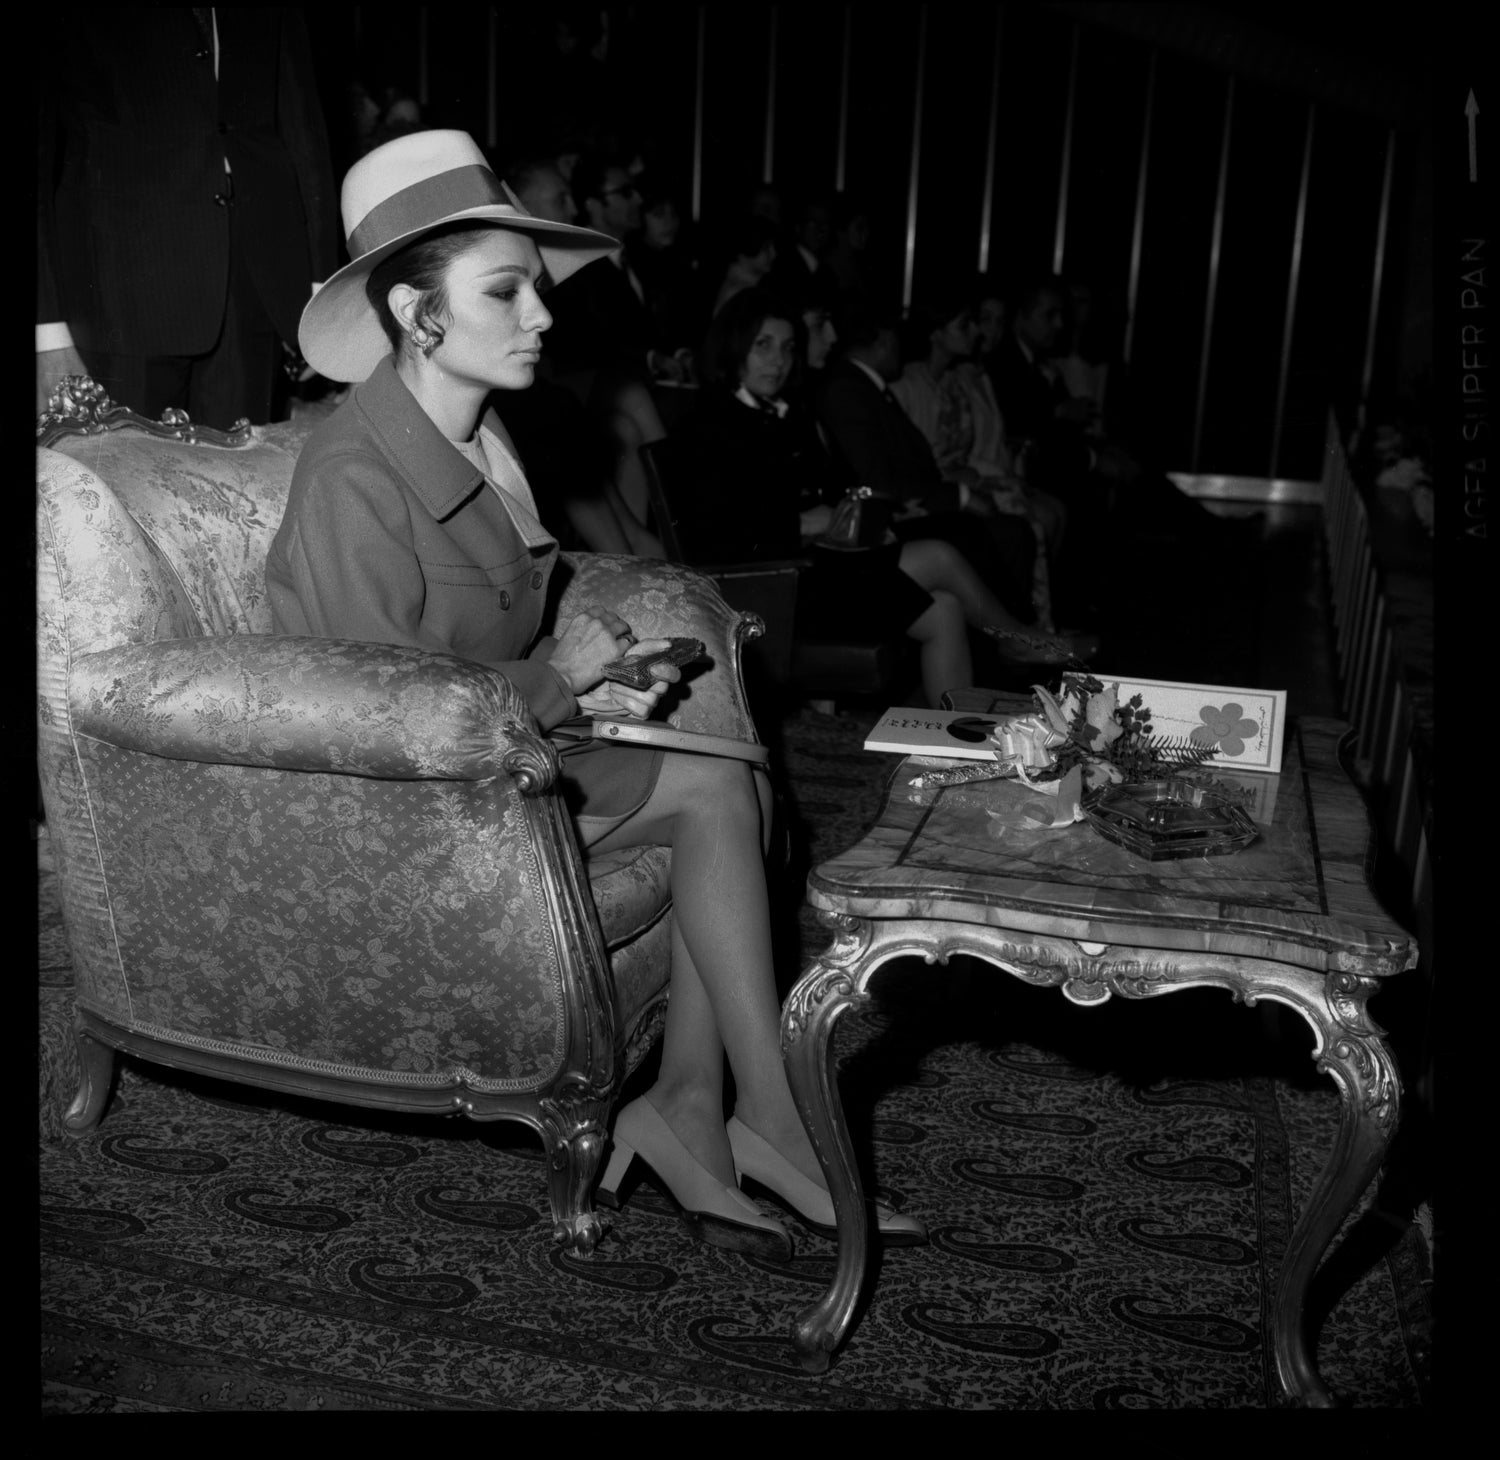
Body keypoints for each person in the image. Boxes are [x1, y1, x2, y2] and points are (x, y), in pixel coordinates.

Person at [266, 131, 921, 1259]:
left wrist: (597, 664)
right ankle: (765, 1122)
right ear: (419, 315)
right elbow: (386, 713)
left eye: (537, 288)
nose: (542, 315)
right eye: (505, 291)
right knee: (720, 793)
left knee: (745, 786)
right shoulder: (353, 474)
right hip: (392, 811)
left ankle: (695, 1107)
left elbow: (489, 624)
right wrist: (560, 677)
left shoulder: (481, 437)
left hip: (491, 753)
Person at [676, 290, 1037, 705]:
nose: (779, 360)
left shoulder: (777, 412)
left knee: (944, 608)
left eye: (788, 347)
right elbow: (716, 530)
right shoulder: (711, 423)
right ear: (734, 347)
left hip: (816, 567)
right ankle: (1016, 639)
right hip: (769, 587)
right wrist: (803, 522)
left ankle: (955, 731)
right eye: (764, 345)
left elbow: (825, 486)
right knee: (939, 554)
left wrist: (851, 516)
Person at [36, 8, 338, 428]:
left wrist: (322, 290)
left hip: (254, 278)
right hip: (118, 293)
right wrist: (46, 332)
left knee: (243, 468)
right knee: (124, 468)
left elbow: (300, 117)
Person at [817, 306, 1092, 658]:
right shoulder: (851, 387)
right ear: (884, 341)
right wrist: (957, 495)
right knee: (980, 532)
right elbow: (878, 476)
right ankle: (1016, 639)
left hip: (906, 504)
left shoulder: (869, 386)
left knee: (998, 530)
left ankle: (1018, 636)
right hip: (883, 517)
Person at [892, 295, 1070, 631]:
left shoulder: (951, 382)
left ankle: (1030, 625)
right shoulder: (907, 385)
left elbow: (965, 452)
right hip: (926, 498)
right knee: (1017, 528)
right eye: (966, 325)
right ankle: (1019, 630)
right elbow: (911, 466)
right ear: (936, 333)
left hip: (956, 486)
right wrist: (966, 482)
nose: (977, 332)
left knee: (1031, 518)